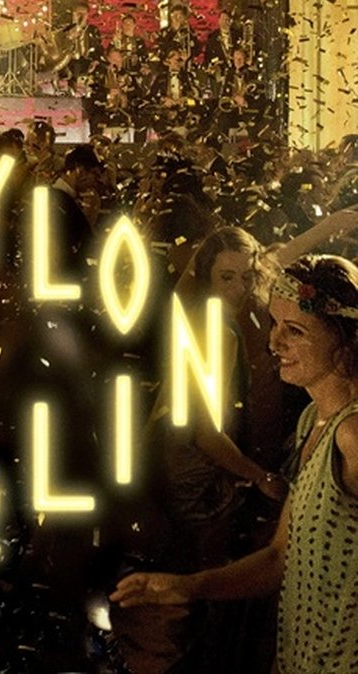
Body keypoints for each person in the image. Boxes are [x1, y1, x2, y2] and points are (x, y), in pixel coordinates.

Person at [111, 253, 358, 674]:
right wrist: (189, 586)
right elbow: (279, 557)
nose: (274, 343)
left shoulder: (352, 435)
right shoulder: (311, 422)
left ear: (345, 343)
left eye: (295, 331)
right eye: (275, 324)